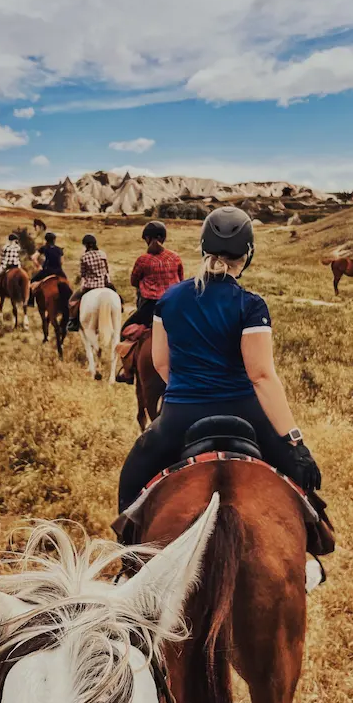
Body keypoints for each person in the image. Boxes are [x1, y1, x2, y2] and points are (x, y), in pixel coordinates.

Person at [117, 206, 322, 513]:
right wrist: (295, 441)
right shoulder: (251, 305)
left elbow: (161, 363)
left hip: (180, 414)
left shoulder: (169, 300)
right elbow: (261, 376)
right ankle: (317, 540)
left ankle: (128, 552)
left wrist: (190, 390)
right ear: (248, 254)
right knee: (304, 493)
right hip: (245, 412)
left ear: (203, 249)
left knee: (132, 481)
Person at [116, 221, 184, 384]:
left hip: (150, 308)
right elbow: (181, 280)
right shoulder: (175, 257)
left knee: (124, 330)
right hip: (174, 306)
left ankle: (128, 372)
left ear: (147, 239)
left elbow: (133, 281)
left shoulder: (143, 260)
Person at [66, 234, 119, 331]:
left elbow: (83, 274)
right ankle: (121, 308)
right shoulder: (102, 254)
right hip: (104, 284)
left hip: (90, 286)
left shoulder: (84, 257)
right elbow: (106, 270)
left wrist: (82, 285)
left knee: (71, 302)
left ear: (85, 245)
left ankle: (73, 321)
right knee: (118, 297)